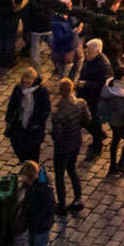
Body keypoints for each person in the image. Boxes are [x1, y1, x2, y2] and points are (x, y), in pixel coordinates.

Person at [18, 158, 56, 246]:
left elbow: (49, 209)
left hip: (40, 227)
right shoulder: (33, 186)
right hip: (34, 225)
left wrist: (39, 222)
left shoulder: (43, 189)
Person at [50, 77, 88, 212]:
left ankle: (61, 204)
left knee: (59, 176)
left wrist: (52, 135)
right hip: (76, 141)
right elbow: (87, 121)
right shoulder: (81, 104)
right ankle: (78, 198)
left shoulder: (58, 112)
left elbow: (57, 135)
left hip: (62, 147)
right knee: (72, 169)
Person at [5, 67, 51, 163]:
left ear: (33, 81)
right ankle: (24, 163)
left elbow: (46, 110)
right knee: (17, 146)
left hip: (34, 128)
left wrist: (37, 122)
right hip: (19, 124)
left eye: (28, 83)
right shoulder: (18, 89)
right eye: (24, 82)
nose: (25, 86)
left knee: (33, 154)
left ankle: (32, 171)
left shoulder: (41, 92)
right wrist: (8, 119)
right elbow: (12, 104)